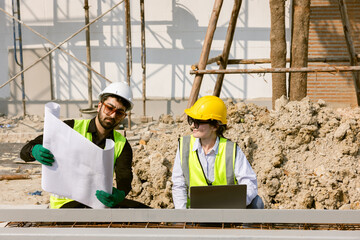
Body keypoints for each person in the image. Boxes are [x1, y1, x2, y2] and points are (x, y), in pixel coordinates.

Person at [20, 81, 149, 209]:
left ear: (123, 116)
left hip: (98, 204)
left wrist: (119, 194)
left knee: (147, 214)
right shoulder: (71, 128)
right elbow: (24, 152)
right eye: (109, 108)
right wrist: (33, 150)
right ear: (99, 106)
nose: (113, 115)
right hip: (65, 205)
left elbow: (124, 179)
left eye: (119, 113)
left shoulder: (122, 144)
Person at [171, 95, 264, 209]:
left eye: (198, 122)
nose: (192, 125)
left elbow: (249, 183)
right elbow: (178, 185)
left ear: (214, 126)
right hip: (196, 213)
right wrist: (183, 217)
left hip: (227, 211)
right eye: (191, 120)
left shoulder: (231, 150)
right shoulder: (184, 147)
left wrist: (233, 204)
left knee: (257, 203)